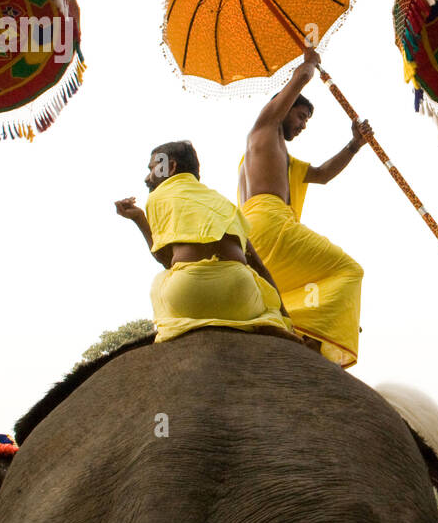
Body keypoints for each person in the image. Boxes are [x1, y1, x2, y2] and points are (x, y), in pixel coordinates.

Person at [238, 48, 367, 367]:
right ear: (282, 108)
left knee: (311, 287)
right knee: (349, 271)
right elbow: (297, 81)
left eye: (307, 120)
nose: (304, 125)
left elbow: (322, 175)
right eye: (301, 116)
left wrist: (354, 145)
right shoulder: (264, 130)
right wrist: (309, 63)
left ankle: (295, 327)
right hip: (271, 224)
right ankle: (309, 340)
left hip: (255, 234)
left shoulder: (284, 157)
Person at [116, 140, 293, 344]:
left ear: (171, 167)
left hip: (188, 291)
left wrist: (139, 219)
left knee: (160, 280)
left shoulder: (159, 196)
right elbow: (258, 264)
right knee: (262, 293)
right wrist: (284, 317)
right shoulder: (222, 202)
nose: (147, 177)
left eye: (153, 168)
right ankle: (267, 322)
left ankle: (172, 330)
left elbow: (165, 259)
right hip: (239, 289)